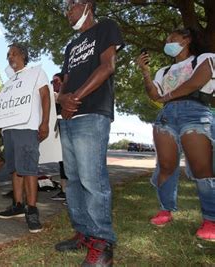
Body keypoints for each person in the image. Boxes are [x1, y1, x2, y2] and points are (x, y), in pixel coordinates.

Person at [55, 1, 124, 266]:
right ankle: (83, 232)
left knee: (92, 179)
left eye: (72, 4)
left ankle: (102, 243)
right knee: (73, 180)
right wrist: (63, 100)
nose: (68, 10)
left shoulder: (106, 27)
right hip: (69, 117)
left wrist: (76, 98)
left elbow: (108, 66)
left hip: (93, 113)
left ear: (87, 5)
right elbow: (66, 80)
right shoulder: (71, 46)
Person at [136, 28, 215, 241]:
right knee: (166, 165)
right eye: (166, 38)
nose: (167, 41)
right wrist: (145, 72)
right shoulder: (162, 71)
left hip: (195, 112)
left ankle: (210, 219)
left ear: (187, 39)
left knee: (202, 168)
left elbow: (197, 82)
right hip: (167, 116)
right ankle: (165, 209)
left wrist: (166, 96)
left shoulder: (205, 58)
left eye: (172, 37)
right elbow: (154, 94)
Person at [0, 43, 51, 234]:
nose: (10, 57)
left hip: (27, 127)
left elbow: (45, 97)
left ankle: (32, 210)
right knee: (15, 168)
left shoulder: (35, 73)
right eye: (8, 55)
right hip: (9, 130)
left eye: (14, 54)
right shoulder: (9, 82)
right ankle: (17, 205)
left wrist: (44, 123)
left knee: (29, 169)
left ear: (23, 56)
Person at [49, 73, 68, 203]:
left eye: (56, 81)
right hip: (58, 133)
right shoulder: (52, 99)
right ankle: (64, 191)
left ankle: (72, 192)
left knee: (70, 162)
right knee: (62, 162)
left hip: (68, 132)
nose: (54, 84)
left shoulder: (68, 95)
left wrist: (60, 99)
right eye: (52, 82)